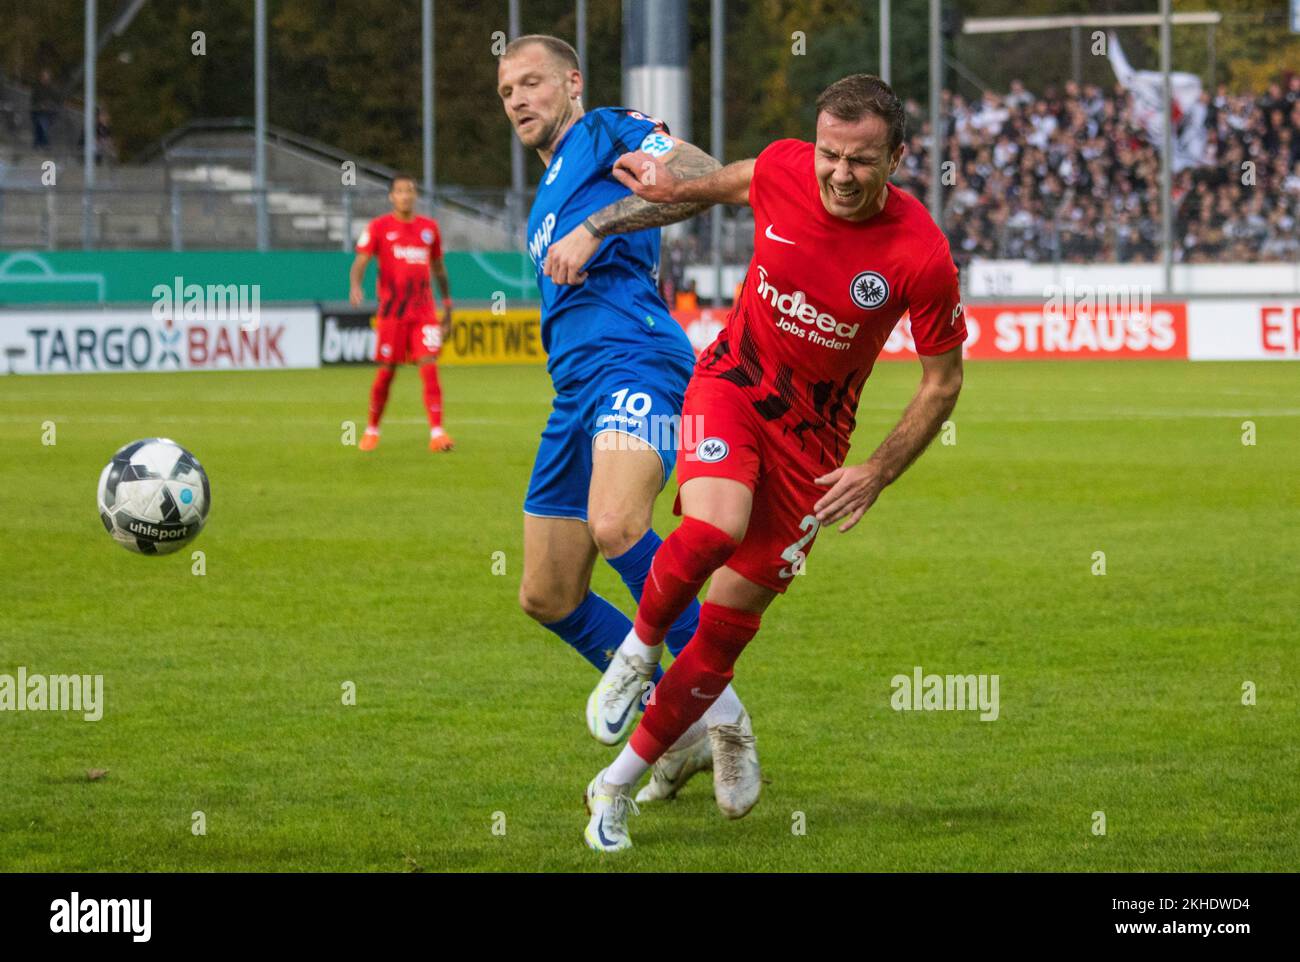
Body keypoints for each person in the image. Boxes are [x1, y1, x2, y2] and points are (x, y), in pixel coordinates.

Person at [576, 73, 967, 851]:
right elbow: (724, 182)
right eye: (830, 155)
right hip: (731, 383)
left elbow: (942, 381)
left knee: (726, 631)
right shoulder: (785, 166)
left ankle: (615, 786)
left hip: (814, 449)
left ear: (896, 156)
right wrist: (652, 192)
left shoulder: (921, 252)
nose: (840, 175)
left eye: (861, 160)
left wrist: (879, 469)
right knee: (714, 527)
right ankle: (639, 646)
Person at [498, 34, 763, 813]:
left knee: (617, 522)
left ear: (572, 83)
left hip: (637, 364)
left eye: (533, 82)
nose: (517, 98)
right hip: (572, 392)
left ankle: (722, 718)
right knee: (547, 594)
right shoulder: (548, 190)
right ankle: (670, 731)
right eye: (507, 88)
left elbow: (701, 174)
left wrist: (602, 225)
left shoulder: (607, 129)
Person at [348, 174, 454, 452]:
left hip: (424, 312)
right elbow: (361, 261)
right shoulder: (379, 227)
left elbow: (439, 269)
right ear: (391, 196)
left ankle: (438, 433)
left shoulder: (429, 229)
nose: (405, 195)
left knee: (429, 365)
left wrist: (448, 304)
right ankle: (372, 429)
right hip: (393, 313)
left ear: (415, 195)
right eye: (400, 191)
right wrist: (356, 286)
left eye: (410, 190)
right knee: (387, 372)